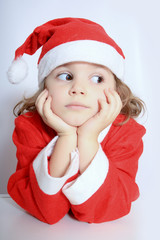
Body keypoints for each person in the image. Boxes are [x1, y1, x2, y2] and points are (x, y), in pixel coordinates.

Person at [7, 17, 146, 224]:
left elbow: (112, 206)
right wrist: (66, 136)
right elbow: (46, 211)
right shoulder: (29, 127)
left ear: (116, 92)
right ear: (45, 88)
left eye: (97, 78)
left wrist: (88, 137)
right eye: (66, 76)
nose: (78, 89)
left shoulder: (126, 132)